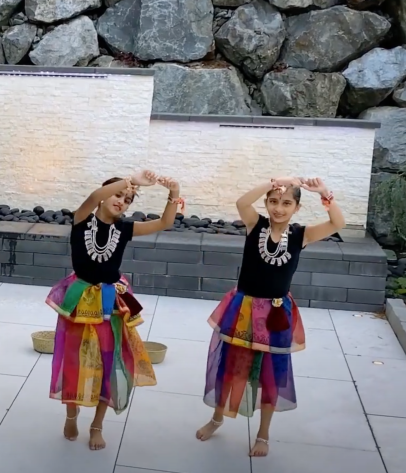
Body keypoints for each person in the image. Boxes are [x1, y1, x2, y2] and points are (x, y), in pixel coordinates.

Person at [196, 177, 344, 457]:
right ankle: (217, 419)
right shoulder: (256, 225)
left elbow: (338, 223)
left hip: (275, 314)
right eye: (274, 201)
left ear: (297, 208)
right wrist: (272, 183)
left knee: (271, 374)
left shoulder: (301, 236)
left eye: (286, 203)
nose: (279, 208)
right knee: (231, 367)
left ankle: (263, 434)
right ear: (266, 203)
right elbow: (242, 202)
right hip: (243, 309)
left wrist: (325, 193)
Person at [47, 171, 182, 450]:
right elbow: (94, 196)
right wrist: (131, 181)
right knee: (75, 361)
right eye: (118, 195)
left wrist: (174, 193)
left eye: (128, 199)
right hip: (80, 300)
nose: (121, 201)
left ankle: (97, 425)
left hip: (111, 302)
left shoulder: (124, 230)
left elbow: (165, 222)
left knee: (109, 362)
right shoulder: (81, 219)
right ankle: (71, 414)